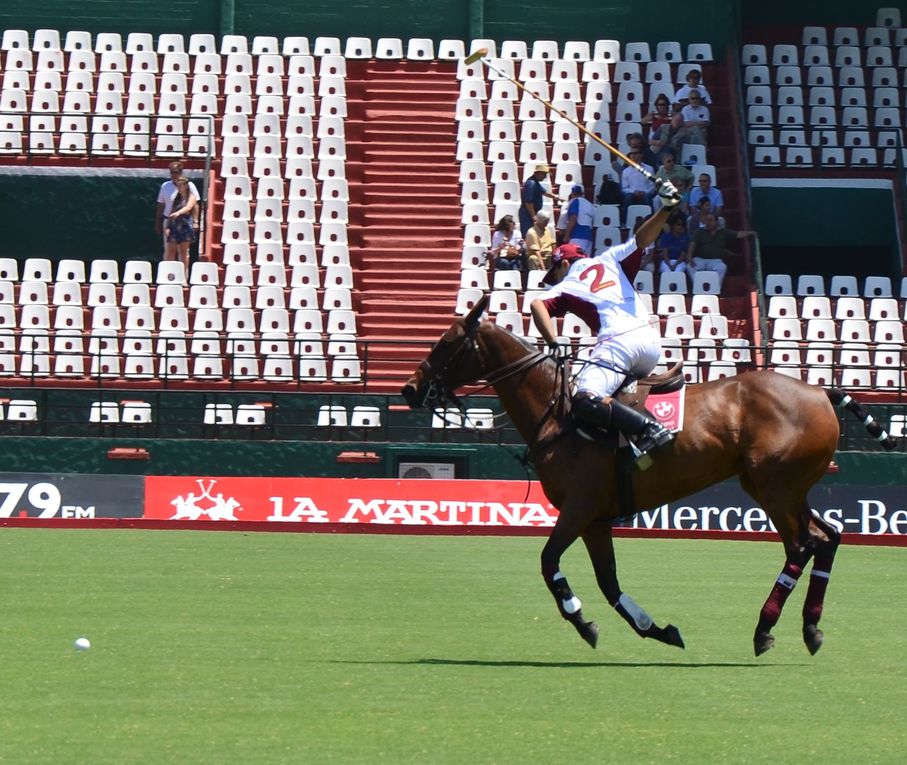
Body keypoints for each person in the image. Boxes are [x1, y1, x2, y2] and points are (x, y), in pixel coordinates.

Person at [530, 180, 681, 468]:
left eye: (556, 272)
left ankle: (652, 429)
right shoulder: (610, 258)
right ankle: (629, 457)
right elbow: (641, 239)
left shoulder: (569, 283)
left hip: (619, 343)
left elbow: (537, 305)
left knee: (585, 398)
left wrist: (553, 342)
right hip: (650, 344)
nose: (557, 279)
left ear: (564, 264)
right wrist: (665, 209)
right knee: (612, 400)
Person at [688, 212, 756, 289]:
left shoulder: (723, 232)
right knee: (690, 266)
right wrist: (689, 256)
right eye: (706, 220)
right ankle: (698, 288)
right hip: (700, 259)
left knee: (722, 267)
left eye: (710, 220)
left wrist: (751, 233)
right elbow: (692, 244)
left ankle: (715, 289)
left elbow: (738, 234)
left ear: (716, 222)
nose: (707, 223)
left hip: (716, 261)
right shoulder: (699, 231)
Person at [155, 160, 200, 257]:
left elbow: (195, 205)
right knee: (168, 250)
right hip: (169, 220)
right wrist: (158, 222)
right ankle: (168, 271)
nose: (173, 175)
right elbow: (161, 205)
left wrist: (195, 221)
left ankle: (183, 272)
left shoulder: (189, 185)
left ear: (180, 172)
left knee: (183, 252)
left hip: (184, 221)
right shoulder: (165, 186)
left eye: (175, 172)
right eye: (171, 172)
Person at [164, 176, 198, 270]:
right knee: (171, 251)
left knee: (183, 252)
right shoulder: (176, 198)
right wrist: (168, 226)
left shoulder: (191, 197)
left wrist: (178, 213)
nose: (178, 188)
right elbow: (171, 211)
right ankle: (170, 274)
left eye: (180, 185)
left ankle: (183, 276)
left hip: (185, 225)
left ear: (185, 186)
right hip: (175, 225)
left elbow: (188, 207)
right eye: (177, 186)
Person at [519, 163, 560, 237]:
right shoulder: (531, 184)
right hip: (527, 214)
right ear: (538, 173)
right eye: (544, 174)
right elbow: (528, 203)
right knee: (528, 234)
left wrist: (556, 197)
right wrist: (533, 216)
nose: (545, 177)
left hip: (532, 213)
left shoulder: (536, 183)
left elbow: (544, 192)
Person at [670, 89, 710, 156]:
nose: (695, 100)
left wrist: (693, 124)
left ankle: (699, 153)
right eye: (692, 98)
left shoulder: (704, 109)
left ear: (699, 99)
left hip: (702, 131)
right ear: (689, 100)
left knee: (695, 132)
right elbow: (686, 124)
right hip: (687, 131)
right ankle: (704, 149)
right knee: (695, 129)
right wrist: (699, 123)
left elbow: (707, 123)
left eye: (696, 98)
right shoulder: (685, 109)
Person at [620, 149, 656, 215]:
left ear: (641, 155)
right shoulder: (626, 171)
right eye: (631, 154)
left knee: (647, 199)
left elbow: (652, 186)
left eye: (635, 153)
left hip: (646, 192)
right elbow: (624, 188)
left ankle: (651, 221)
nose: (633, 156)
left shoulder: (649, 169)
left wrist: (644, 192)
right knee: (628, 198)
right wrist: (634, 192)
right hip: (632, 193)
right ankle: (624, 222)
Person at [562, 184, 595, 253]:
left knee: (575, 260)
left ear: (572, 193)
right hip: (588, 238)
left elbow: (573, 218)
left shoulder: (575, 202)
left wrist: (567, 235)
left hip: (576, 236)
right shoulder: (590, 204)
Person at [641, 96, 676, 160]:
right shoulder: (654, 115)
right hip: (655, 139)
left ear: (667, 105)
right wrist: (651, 115)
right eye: (660, 104)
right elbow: (642, 121)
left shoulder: (671, 116)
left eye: (664, 104)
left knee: (664, 127)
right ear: (657, 106)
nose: (662, 106)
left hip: (667, 139)